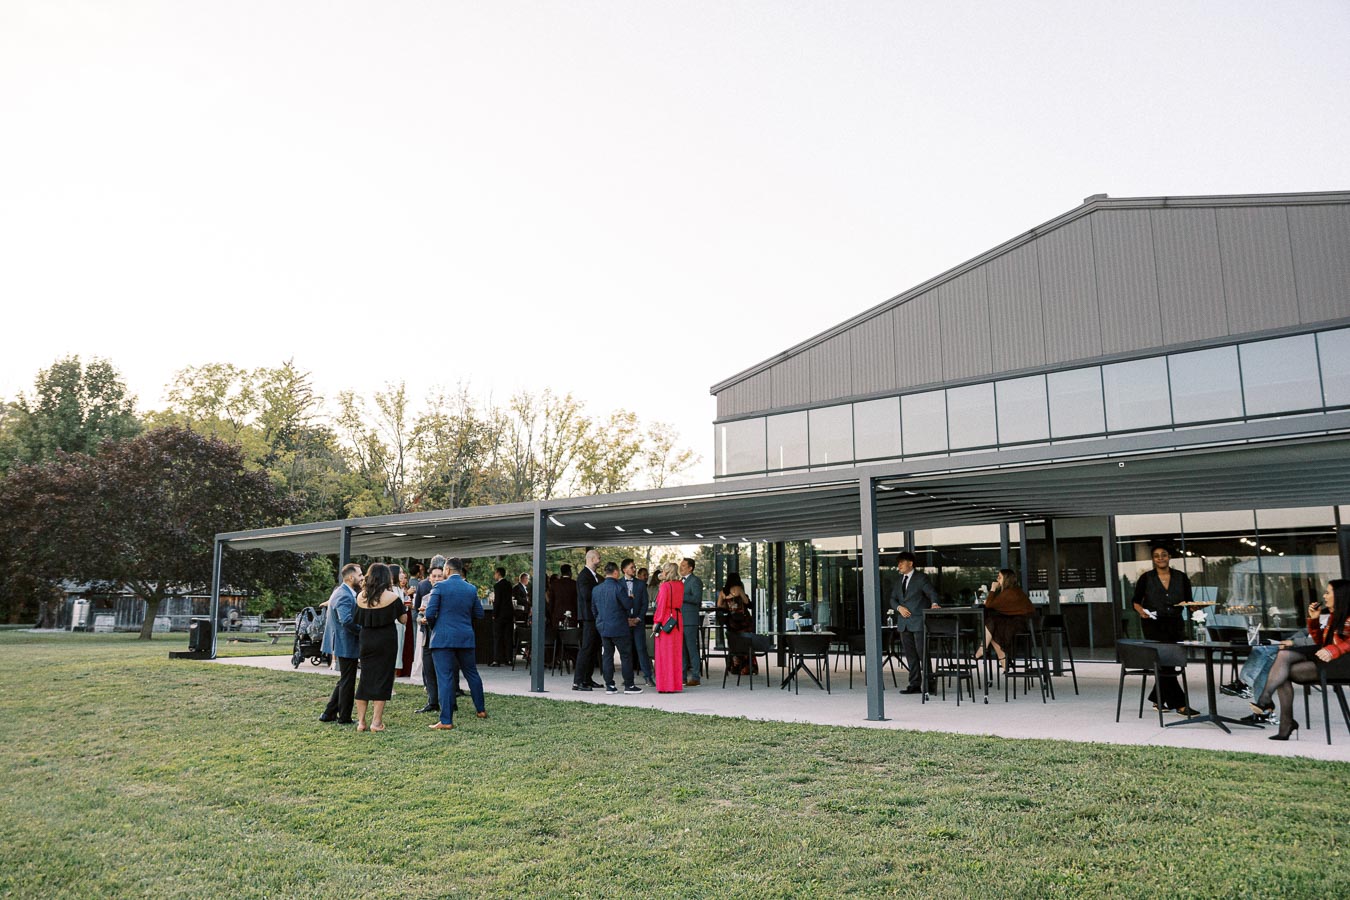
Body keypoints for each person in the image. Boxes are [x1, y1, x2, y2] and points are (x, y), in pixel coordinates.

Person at [1251, 580, 1350, 740]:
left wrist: (1335, 649)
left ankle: (1267, 701)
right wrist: (1314, 620)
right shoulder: (1334, 616)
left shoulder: (1348, 618)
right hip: (1326, 659)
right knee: (1282, 666)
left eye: (1328, 592)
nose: (1324, 596)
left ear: (1339, 595)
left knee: (1282, 666)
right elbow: (1319, 641)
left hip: (1340, 665)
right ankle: (1282, 718)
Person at [1131, 544, 1199, 716]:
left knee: (1169, 664)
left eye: (1164, 555)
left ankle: (1157, 698)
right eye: (1156, 556)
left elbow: (1189, 601)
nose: (1160, 558)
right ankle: (1181, 704)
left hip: (1175, 624)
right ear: (1153, 559)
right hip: (1154, 625)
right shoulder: (1146, 578)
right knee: (1164, 665)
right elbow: (1136, 602)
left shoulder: (1181, 577)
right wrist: (1142, 613)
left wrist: (1195, 608)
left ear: (1169, 557)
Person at [424, 558, 487, 730]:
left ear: (447, 570)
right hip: (465, 637)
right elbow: (479, 614)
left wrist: (434, 625)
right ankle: (481, 710)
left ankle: (446, 720)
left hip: (443, 638)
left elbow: (430, 613)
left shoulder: (440, 587)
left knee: (445, 678)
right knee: (472, 673)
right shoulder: (471, 588)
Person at [353, 562, 408, 732]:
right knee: (383, 679)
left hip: (366, 640)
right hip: (386, 641)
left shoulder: (361, 597)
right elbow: (403, 620)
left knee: (365, 679)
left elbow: (356, 619)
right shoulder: (392, 598)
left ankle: (361, 722)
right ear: (386, 578)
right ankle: (376, 722)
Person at [890, 551, 940, 695]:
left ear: (910, 563)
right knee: (910, 655)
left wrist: (935, 603)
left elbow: (931, 592)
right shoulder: (899, 580)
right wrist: (899, 608)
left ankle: (930, 685)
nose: (899, 565)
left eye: (901, 562)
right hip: (903, 623)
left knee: (922, 653)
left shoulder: (921, 578)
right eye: (898, 562)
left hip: (918, 621)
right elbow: (892, 599)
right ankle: (914, 684)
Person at [319, 563, 363, 724]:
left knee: (345, 678)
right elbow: (346, 621)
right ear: (351, 577)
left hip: (343, 641)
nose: (362, 577)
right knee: (348, 681)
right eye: (360, 575)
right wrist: (362, 631)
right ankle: (344, 717)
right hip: (345, 642)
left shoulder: (343, 592)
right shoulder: (344, 594)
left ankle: (328, 713)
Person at [593, 562, 642, 694]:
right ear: (615, 572)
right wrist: (631, 598)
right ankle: (629, 685)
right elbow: (627, 605)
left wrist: (599, 622)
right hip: (619, 627)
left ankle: (609, 685)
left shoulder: (596, 589)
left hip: (603, 627)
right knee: (625, 656)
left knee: (607, 656)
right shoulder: (619, 588)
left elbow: (594, 610)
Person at [979, 569, 1035, 671]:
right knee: (991, 625)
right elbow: (995, 604)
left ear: (1006, 579)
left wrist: (992, 588)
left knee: (991, 625)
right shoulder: (1013, 591)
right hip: (1021, 623)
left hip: (1020, 625)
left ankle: (985, 649)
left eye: (999, 577)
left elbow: (989, 604)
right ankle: (1001, 657)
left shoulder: (1010, 592)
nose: (997, 579)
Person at [413, 557, 444, 714]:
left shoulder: (447, 593)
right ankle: (432, 701)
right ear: (429, 577)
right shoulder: (424, 592)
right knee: (429, 669)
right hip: (427, 636)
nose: (437, 578)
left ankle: (447, 701)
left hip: (443, 637)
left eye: (440, 576)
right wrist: (421, 620)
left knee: (444, 671)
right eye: (434, 576)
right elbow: (416, 614)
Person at [573, 550, 603, 691]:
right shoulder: (584, 576)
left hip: (595, 616)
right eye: (598, 557)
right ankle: (577, 681)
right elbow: (586, 595)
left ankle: (587, 678)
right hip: (588, 617)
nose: (600, 559)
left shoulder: (596, 577)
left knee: (594, 648)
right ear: (591, 559)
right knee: (586, 648)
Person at [653, 562, 685, 693]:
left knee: (664, 653)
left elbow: (661, 605)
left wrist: (657, 621)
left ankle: (665, 685)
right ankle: (676, 684)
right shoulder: (681, 585)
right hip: (677, 619)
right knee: (676, 653)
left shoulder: (665, 586)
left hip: (666, 619)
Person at [622, 558, 654, 686]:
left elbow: (644, 603)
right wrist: (626, 619)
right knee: (627, 651)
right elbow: (618, 604)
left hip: (638, 621)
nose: (634, 569)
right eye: (631, 567)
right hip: (624, 622)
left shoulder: (641, 584)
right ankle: (628, 678)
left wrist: (639, 618)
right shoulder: (618, 584)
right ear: (624, 570)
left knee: (641, 648)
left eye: (635, 567)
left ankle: (648, 676)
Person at [679, 557, 704, 686]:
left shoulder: (695, 581)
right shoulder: (679, 581)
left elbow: (697, 599)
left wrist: (680, 594)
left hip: (690, 620)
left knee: (691, 649)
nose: (681, 567)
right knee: (681, 650)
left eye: (683, 565)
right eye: (680, 565)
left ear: (690, 568)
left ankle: (695, 676)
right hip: (679, 619)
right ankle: (682, 676)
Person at [490, 566, 515, 667]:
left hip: (500, 615)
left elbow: (498, 601)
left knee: (498, 637)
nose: (494, 575)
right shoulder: (509, 584)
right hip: (509, 614)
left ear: (498, 573)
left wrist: (494, 614)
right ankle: (509, 659)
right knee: (508, 637)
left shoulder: (498, 586)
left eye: (495, 573)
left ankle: (497, 659)